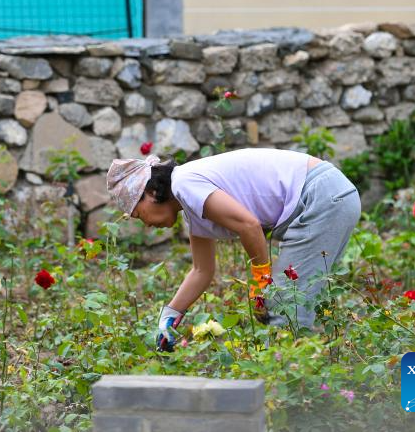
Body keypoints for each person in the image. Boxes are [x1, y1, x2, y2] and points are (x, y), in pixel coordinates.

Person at [106, 148, 361, 351]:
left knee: (285, 309)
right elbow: (201, 270)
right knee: (293, 304)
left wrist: (261, 284)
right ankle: (301, 384)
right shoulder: (190, 205)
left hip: (320, 197)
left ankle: (290, 399)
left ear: (150, 193)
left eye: (140, 215)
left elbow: (249, 226)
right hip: (329, 196)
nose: (147, 225)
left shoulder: (184, 183)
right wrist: (170, 315)